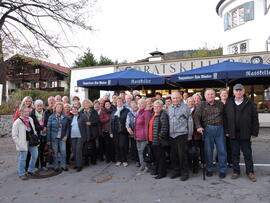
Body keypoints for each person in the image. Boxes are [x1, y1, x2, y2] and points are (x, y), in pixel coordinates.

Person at [224, 84, 259, 182]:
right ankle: (236, 172)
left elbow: (255, 118)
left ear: (243, 92)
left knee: (247, 154)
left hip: (246, 133)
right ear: (234, 92)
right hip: (233, 133)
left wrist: (254, 132)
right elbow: (225, 118)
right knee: (234, 154)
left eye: (240, 90)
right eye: (236, 90)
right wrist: (226, 131)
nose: (238, 92)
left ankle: (250, 172)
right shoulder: (229, 102)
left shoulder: (250, 102)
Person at [194, 88, 227, 179]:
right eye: (208, 94)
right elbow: (196, 117)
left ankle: (222, 169)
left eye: (212, 94)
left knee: (222, 150)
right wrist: (198, 127)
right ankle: (209, 169)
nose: (210, 96)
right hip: (207, 129)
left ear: (214, 95)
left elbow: (225, 117)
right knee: (208, 151)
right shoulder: (201, 105)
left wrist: (226, 130)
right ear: (205, 96)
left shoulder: (220, 104)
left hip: (220, 129)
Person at [168, 92, 193, 181]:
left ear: (180, 98)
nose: (175, 100)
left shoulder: (185, 107)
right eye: (173, 98)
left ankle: (184, 173)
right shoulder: (169, 107)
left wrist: (190, 134)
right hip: (171, 135)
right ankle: (176, 171)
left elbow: (190, 121)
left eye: (176, 98)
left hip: (181, 134)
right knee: (173, 155)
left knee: (182, 155)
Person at [12, 106, 38, 180]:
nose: (27, 113)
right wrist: (19, 143)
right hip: (23, 142)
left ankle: (31, 170)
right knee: (23, 158)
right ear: (21, 112)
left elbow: (33, 129)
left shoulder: (30, 119)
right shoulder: (17, 122)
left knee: (35, 155)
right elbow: (14, 135)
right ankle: (21, 173)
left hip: (32, 141)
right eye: (25, 112)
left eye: (28, 111)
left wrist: (35, 136)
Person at [149, 100, 169, 179]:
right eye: (155, 106)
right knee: (156, 157)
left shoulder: (163, 114)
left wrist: (160, 137)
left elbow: (164, 128)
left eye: (158, 106)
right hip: (152, 139)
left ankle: (162, 173)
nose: (156, 108)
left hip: (159, 140)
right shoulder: (153, 114)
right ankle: (157, 170)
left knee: (161, 157)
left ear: (161, 107)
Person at [47, 102, 70, 172]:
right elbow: (49, 129)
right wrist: (48, 140)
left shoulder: (65, 117)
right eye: (58, 107)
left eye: (60, 107)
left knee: (63, 152)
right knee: (55, 152)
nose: (59, 108)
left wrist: (66, 135)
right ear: (55, 108)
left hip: (62, 137)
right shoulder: (51, 117)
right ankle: (56, 166)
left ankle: (63, 165)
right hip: (54, 138)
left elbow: (68, 127)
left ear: (62, 109)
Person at [110, 96, 130, 167]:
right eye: (118, 102)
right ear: (116, 103)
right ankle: (118, 160)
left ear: (123, 102)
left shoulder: (126, 111)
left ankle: (124, 160)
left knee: (122, 146)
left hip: (123, 131)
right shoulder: (114, 111)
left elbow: (128, 121)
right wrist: (110, 132)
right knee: (117, 146)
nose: (119, 103)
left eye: (120, 102)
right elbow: (111, 123)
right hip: (115, 132)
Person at [134, 99, 152, 173]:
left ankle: (147, 167)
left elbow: (147, 126)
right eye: (138, 103)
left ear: (145, 104)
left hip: (144, 137)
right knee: (139, 151)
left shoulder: (146, 113)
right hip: (137, 136)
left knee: (145, 152)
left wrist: (147, 137)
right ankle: (142, 165)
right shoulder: (139, 113)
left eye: (142, 103)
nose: (140, 104)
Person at [80, 99, 100, 166]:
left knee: (93, 147)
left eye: (87, 103)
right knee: (85, 147)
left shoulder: (94, 111)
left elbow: (97, 120)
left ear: (90, 104)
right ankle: (86, 162)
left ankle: (93, 160)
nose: (86, 104)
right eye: (84, 103)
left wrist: (91, 123)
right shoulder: (81, 112)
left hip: (92, 131)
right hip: (84, 131)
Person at [186, 97, 202, 174]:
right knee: (187, 151)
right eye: (189, 102)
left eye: (192, 101)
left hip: (196, 135)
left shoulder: (198, 110)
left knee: (195, 152)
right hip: (186, 134)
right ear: (186, 102)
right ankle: (189, 166)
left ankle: (196, 167)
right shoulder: (185, 110)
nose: (191, 103)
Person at [69, 105, 87, 172]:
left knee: (78, 150)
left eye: (75, 109)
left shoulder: (82, 116)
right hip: (73, 136)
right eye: (73, 109)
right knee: (74, 150)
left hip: (80, 136)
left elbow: (86, 127)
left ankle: (79, 165)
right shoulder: (71, 117)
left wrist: (87, 136)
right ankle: (76, 164)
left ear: (78, 110)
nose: (74, 110)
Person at [29, 99, 46, 169]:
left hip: (44, 135)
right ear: (35, 106)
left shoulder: (45, 112)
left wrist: (46, 127)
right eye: (38, 106)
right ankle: (35, 166)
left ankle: (43, 165)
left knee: (43, 151)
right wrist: (42, 128)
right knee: (36, 152)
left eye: (41, 106)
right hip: (36, 136)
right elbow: (32, 125)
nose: (39, 107)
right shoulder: (32, 114)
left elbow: (47, 122)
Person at [219, 89, 232, 168]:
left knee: (229, 145)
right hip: (219, 127)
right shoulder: (217, 103)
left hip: (229, 127)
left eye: (225, 93)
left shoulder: (230, 103)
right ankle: (219, 160)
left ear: (227, 95)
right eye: (222, 94)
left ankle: (230, 161)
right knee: (220, 146)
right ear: (220, 95)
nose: (224, 95)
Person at [126, 101, 139, 167]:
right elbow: (127, 122)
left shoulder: (140, 112)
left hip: (139, 133)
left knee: (139, 147)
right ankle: (136, 160)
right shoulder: (129, 114)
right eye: (132, 105)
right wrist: (128, 128)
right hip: (132, 133)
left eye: (135, 105)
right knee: (134, 147)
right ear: (130, 107)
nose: (134, 106)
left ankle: (140, 160)